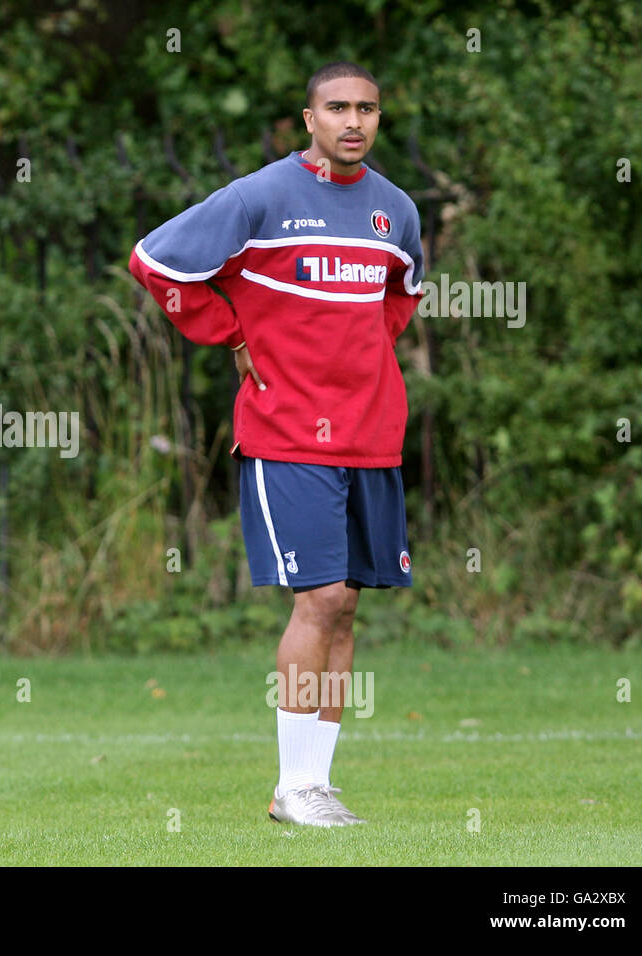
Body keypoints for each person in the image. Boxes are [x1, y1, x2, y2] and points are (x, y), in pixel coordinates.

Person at [129, 62, 424, 826]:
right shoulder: (259, 196)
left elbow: (397, 305)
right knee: (318, 596)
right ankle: (292, 787)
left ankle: (315, 785)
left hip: (372, 437)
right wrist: (233, 332)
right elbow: (156, 262)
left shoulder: (397, 211)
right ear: (308, 118)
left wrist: (352, 368)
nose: (353, 121)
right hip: (287, 433)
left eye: (367, 108)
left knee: (347, 607)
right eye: (337, 108)